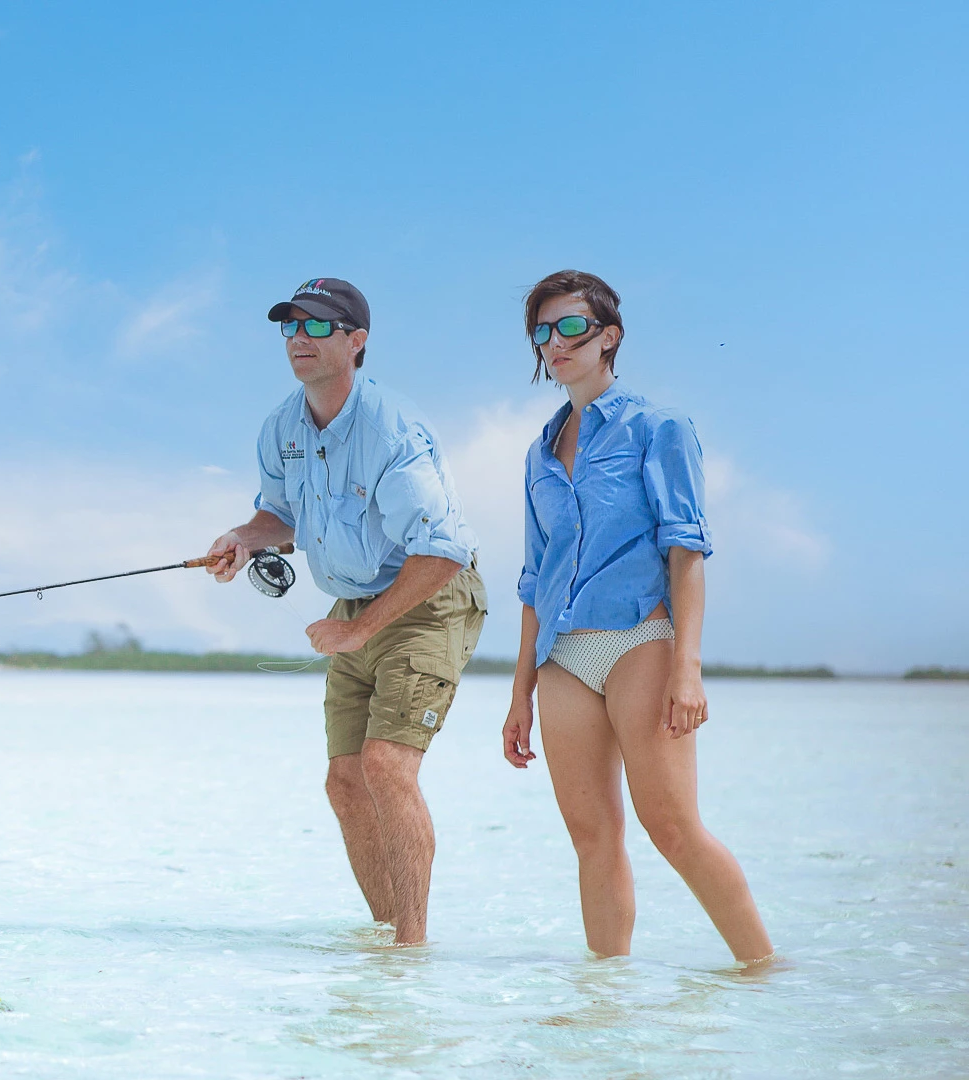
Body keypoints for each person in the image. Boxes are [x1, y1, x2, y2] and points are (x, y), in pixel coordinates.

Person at [500, 269, 773, 964]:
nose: (553, 343)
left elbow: (686, 551)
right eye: (542, 331)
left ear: (609, 337)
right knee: (592, 839)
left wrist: (688, 667)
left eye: (570, 327)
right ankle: (606, 1009)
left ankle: (768, 972)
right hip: (562, 657)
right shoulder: (538, 452)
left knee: (673, 829)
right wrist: (520, 692)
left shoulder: (660, 428)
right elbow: (535, 578)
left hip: (640, 641)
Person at [208, 277, 485, 946]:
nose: (300, 338)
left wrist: (358, 629)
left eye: (319, 326)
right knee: (344, 780)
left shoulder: (392, 426)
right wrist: (243, 539)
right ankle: (387, 937)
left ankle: (413, 948)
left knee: (387, 766)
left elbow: (442, 552)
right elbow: (278, 515)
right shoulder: (282, 426)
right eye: (291, 326)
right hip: (355, 603)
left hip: (428, 599)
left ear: (357, 342)